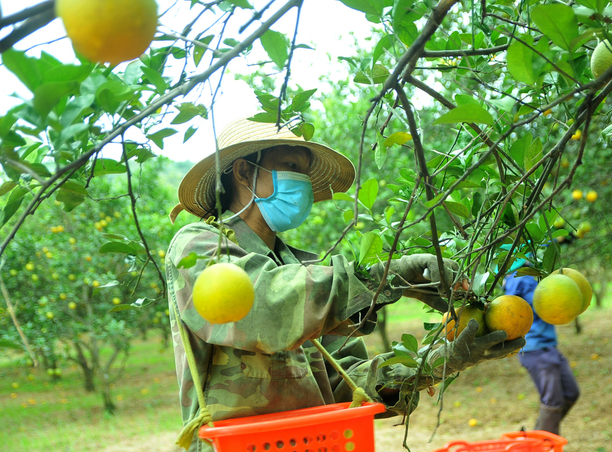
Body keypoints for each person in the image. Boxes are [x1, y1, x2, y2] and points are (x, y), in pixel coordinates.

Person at [166, 117, 526, 451]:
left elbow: (346, 384)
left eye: (306, 173)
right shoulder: (198, 248)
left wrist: (437, 361)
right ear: (245, 171)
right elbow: (265, 308)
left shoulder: (301, 269)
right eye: (292, 166)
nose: (303, 183)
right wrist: (392, 276)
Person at [503, 259, 580, 436]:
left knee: (570, 393)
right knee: (553, 400)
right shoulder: (521, 278)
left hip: (547, 346)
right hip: (534, 348)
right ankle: (542, 444)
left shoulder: (530, 277)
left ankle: (536, 436)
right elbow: (541, 306)